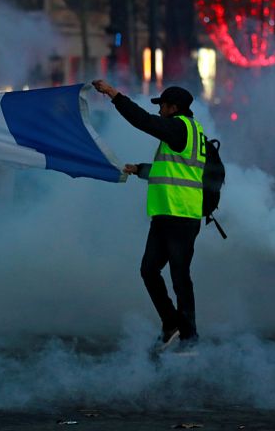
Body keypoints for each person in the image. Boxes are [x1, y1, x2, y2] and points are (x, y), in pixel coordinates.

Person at [92, 80, 206, 351]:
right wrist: (141, 169)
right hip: (168, 213)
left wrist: (115, 95)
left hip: (180, 213)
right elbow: (176, 170)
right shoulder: (187, 131)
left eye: (162, 106)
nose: (159, 111)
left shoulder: (180, 127)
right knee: (149, 270)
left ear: (174, 108)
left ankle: (189, 338)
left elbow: (142, 121)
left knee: (179, 276)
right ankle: (172, 325)